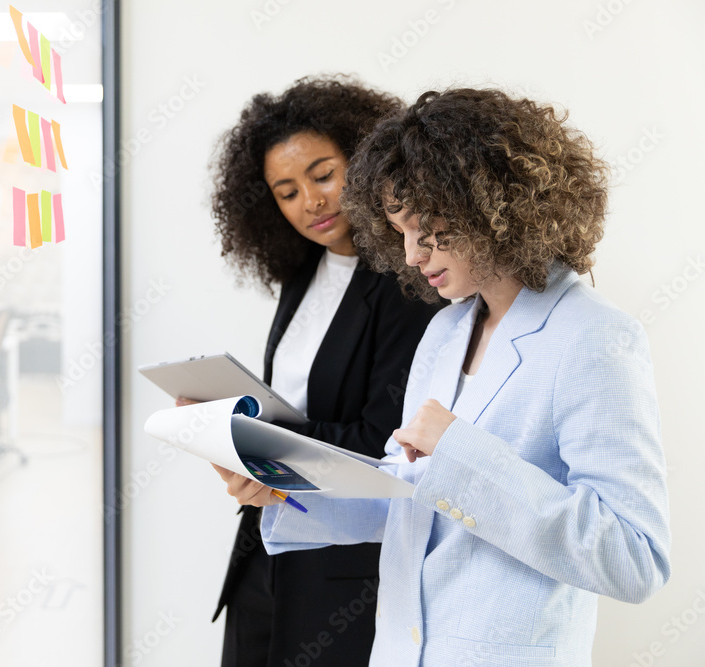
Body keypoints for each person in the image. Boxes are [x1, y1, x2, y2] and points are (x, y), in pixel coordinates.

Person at [216, 88, 672, 666]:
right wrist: (286, 485)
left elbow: (634, 559)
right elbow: (407, 499)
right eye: (399, 231)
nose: (409, 255)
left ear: (491, 206)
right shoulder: (446, 332)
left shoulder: (593, 335)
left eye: (426, 230)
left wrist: (459, 454)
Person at [204, 76, 440, 667]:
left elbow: (382, 441)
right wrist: (229, 419)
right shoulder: (301, 273)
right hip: (262, 545)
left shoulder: (410, 284)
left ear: (361, 161)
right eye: (285, 191)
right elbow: (297, 403)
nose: (309, 201)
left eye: (322, 174)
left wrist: (260, 442)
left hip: (340, 567)